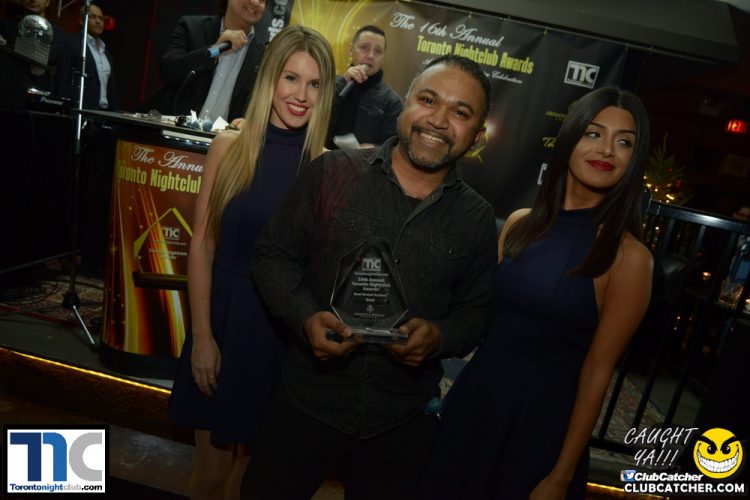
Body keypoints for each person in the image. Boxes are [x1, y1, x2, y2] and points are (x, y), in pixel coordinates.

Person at [243, 55, 498, 500]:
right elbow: (272, 255)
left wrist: (438, 337)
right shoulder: (332, 173)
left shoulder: (476, 219)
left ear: (477, 136)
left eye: (460, 112)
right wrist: (305, 317)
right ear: (405, 106)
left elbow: (475, 314)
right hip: (306, 402)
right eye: (428, 100)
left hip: (400, 423)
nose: (438, 121)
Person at [416, 86, 654, 500]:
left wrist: (561, 476)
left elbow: (597, 373)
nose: (607, 150)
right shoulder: (520, 225)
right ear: (570, 138)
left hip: (539, 428)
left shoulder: (629, 258)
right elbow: (479, 317)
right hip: (475, 404)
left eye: (625, 142)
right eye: (594, 133)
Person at [168, 25, 335, 500]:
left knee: (251, 479)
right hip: (223, 319)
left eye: (314, 83)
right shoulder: (229, 146)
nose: (301, 95)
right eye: (291, 78)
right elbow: (202, 246)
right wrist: (203, 338)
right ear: (270, 79)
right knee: (212, 474)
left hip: (281, 335)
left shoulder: (326, 166)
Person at [153, 0, 267, 121]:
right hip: (175, 127)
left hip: (224, 133)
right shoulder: (192, 26)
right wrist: (213, 50)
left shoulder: (263, 54)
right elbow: (168, 72)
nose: (255, 2)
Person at [326, 25, 402, 149]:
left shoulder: (392, 102)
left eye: (378, 51)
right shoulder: (329, 84)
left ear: (383, 58)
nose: (371, 55)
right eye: (364, 47)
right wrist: (342, 84)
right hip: (321, 156)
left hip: (362, 161)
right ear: (351, 50)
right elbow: (315, 123)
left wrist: (375, 149)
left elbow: (394, 148)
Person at [0, 0, 72, 99]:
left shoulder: (57, 32)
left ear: (47, 2)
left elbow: (49, 56)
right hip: (9, 93)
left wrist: (10, 47)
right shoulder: (6, 26)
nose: (33, 0)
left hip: (43, 94)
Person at [69, 2, 117, 110]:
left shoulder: (106, 54)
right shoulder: (73, 44)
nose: (98, 21)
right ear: (81, 20)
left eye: (101, 18)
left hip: (103, 113)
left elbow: (110, 90)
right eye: (93, 17)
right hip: (80, 110)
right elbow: (64, 78)